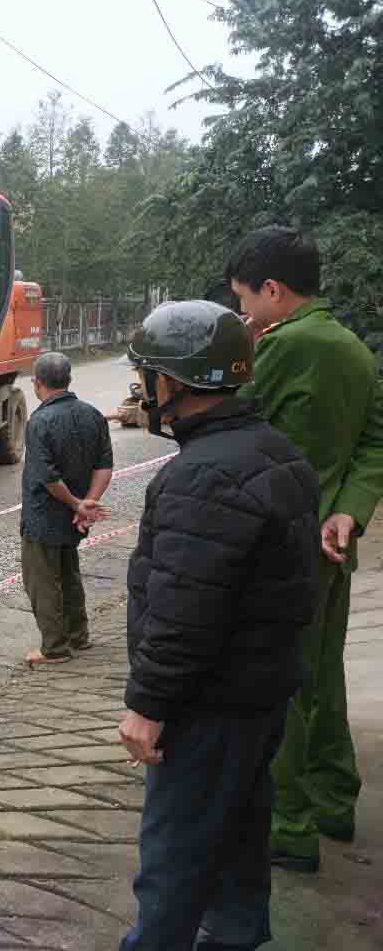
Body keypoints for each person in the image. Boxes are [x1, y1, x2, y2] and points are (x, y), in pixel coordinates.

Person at [120, 300, 320, 950]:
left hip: (207, 707)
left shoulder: (202, 475)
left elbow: (185, 607)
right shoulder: (275, 451)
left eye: (148, 376)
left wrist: (148, 704)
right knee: (238, 844)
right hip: (259, 698)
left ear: (173, 384)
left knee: (172, 870)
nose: (144, 390)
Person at [226, 227, 383, 872]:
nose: (242, 313)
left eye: (245, 299)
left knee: (276, 682)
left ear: (272, 290)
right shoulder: (354, 348)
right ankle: (334, 798)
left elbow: (230, 417)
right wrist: (349, 509)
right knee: (324, 668)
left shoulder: (283, 346)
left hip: (279, 543)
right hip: (331, 543)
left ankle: (287, 825)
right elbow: (374, 444)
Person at [20, 351, 113, 664]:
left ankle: (55, 648)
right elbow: (104, 466)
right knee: (69, 574)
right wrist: (87, 503)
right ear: (69, 379)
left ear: (37, 382)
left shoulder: (40, 422)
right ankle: (78, 636)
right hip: (74, 517)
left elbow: (47, 478)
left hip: (44, 516)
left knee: (42, 581)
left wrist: (77, 503)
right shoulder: (92, 415)